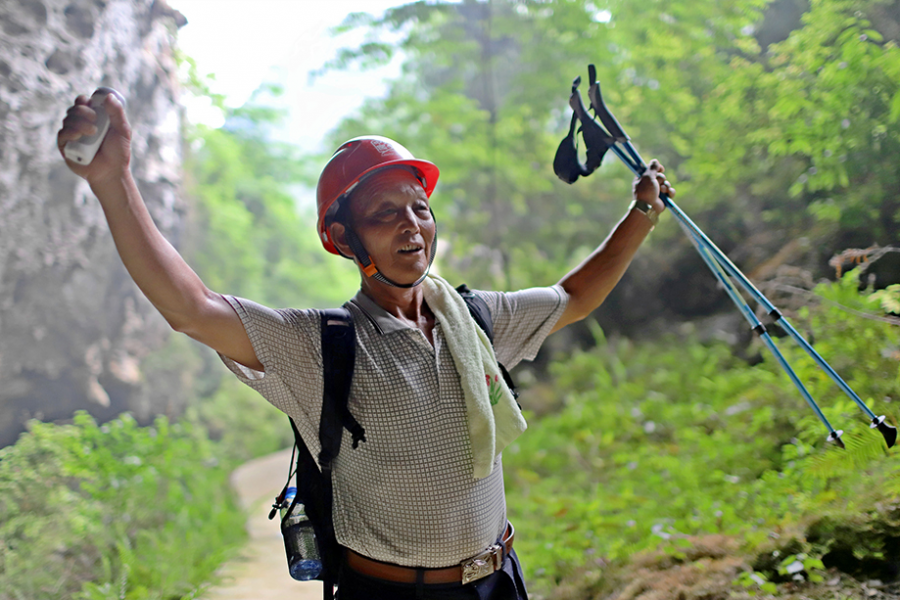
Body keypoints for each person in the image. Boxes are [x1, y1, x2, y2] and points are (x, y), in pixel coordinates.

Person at [57, 91, 674, 600]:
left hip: (498, 583)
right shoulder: (319, 346)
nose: (412, 224)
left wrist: (642, 213)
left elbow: (574, 297)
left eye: (421, 207)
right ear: (343, 237)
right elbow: (192, 310)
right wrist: (113, 182)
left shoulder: (476, 321)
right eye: (385, 213)